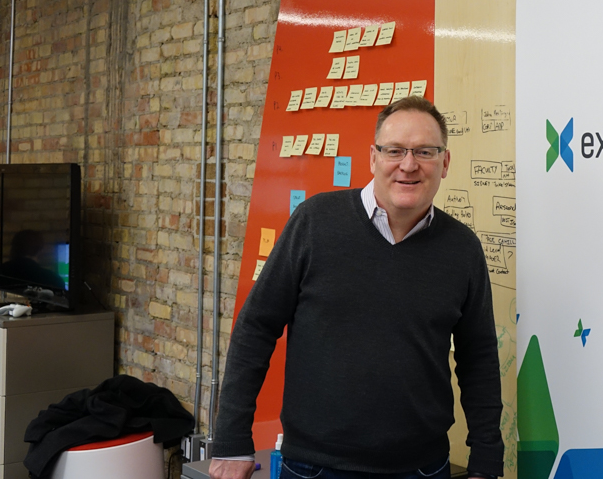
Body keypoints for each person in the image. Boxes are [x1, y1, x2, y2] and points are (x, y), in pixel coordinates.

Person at [209, 97, 504, 479]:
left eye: (425, 152)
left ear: (445, 162)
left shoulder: (462, 249)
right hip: (315, 467)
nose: (408, 165)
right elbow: (256, 328)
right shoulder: (315, 222)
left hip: (422, 469)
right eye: (394, 150)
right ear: (372, 158)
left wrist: (486, 460)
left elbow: (479, 357)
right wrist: (231, 441)